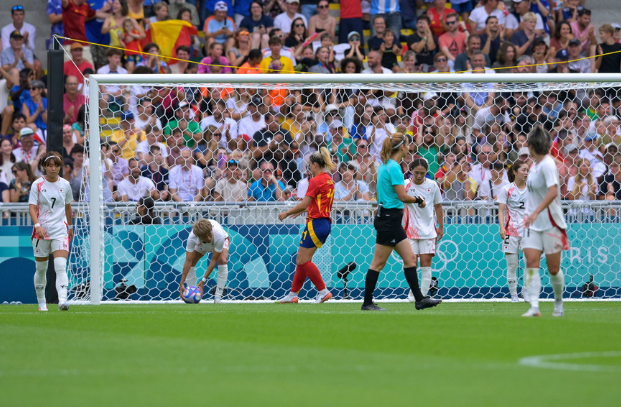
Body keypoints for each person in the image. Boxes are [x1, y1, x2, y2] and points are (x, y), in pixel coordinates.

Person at [361, 133, 442, 311]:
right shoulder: (394, 168)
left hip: (391, 219)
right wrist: (419, 200)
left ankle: (419, 299)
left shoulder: (385, 165)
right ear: (402, 147)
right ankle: (367, 303)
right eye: (407, 144)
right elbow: (402, 196)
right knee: (378, 263)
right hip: (389, 219)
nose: (409, 147)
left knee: (410, 258)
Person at [276, 147, 335, 304]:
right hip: (323, 222)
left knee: (303, 260)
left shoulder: (315, 180)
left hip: (315, 224)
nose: (308, 168)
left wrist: (287, 212)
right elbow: (317, 203)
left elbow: (304, 204)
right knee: (301, 259)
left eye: (309, 165)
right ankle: (293, 295)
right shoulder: (329, 179)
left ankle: (323, 291)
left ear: (315, 164)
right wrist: (304, 209)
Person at [522, 125, 569, 317]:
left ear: (532, 146)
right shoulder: (534, 166)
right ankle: (534, 307)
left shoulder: (548, 165)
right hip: (532, 224)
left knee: (553, 269)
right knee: (531, 262)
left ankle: (558, 302)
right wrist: (530, 214)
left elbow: (552, 191)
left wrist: (536, 212)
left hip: (550, 222)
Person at [28, 152, 74, 312]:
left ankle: (62, 301)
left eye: (56, 165)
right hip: (41, 232)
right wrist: (37, 225)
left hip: (60, 230)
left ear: (60, 167)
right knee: (41, 269)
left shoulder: (65, 185)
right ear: (45, 167)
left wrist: (70, 227)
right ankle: (42, 303)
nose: (53, 169)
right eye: (50, 165)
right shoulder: (37, 185)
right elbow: (32, 208)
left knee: (61, 265)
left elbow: (68, 207)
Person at [403, 158, 443, 302]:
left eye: (422, 173)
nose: (419, 176)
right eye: (416, 173)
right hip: (410, 231)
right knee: (411, 263)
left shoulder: (432, 185)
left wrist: (441, 227)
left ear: (427, 172)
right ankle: (414, 294)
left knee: (426, 265)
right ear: (411, 171)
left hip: (428, 231)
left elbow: (438, 206)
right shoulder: (405, 185)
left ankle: (421, 297)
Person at [497, 160, 530, 303]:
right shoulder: (506, 189)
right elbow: (501, 210)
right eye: (523, 170)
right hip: (511, 232)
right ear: (515, 172)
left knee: (529, 263)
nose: (526, 173)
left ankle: (525, 291)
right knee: (512, 265)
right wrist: (501, 227)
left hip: (528, 232)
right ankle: (513, 295)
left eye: (527, 170)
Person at [179, 218, 230, 304]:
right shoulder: (192, 238)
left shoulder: (219, 235)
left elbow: (213, 260)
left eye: (209, 234)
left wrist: (203, 280)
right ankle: (193, 295)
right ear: (199, 236)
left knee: (222, 260)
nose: (209, 238)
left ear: (211, 230)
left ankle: (218, 297)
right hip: (202, 244)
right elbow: (188, 261)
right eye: (205, 236)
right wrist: (181, 283)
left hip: (219, 241)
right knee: (192, 262)